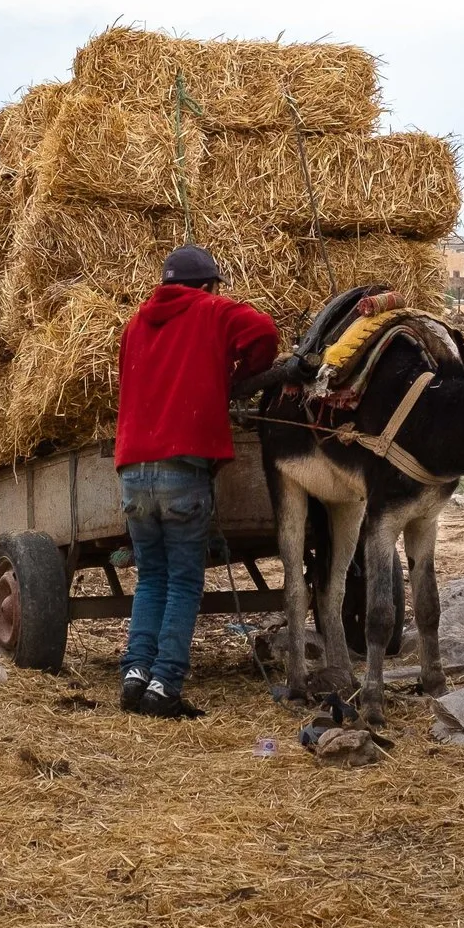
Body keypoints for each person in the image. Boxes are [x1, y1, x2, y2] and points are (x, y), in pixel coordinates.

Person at [112, 243, 279, 717]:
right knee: (185, 581)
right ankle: (165, 684)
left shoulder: (135, 323)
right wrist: (239, 375)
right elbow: (265, 331)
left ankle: (135, 672)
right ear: (206, 286)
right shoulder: (212, 309)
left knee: (152, 578)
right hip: (182, 471)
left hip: (132, 471)